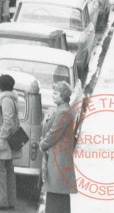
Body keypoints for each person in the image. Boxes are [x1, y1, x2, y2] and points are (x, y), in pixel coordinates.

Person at [40, 82, 77, 213]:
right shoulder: (62, 109)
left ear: (63, 96)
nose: (53, 95)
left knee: (56, 192)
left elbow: (54, 133)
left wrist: (43, 144)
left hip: (58, 158)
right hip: (59, 156)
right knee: (58, 192)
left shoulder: (63, 112)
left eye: (56, 93)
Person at [0, 74, 22, 211]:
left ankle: (0, 201)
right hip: (8, 141)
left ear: (0, 86)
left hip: (3, 141)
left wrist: (1, 138)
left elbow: (8, 121)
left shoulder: (5, 99)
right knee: (7, 171)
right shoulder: (12, 98)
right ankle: (10, 201)